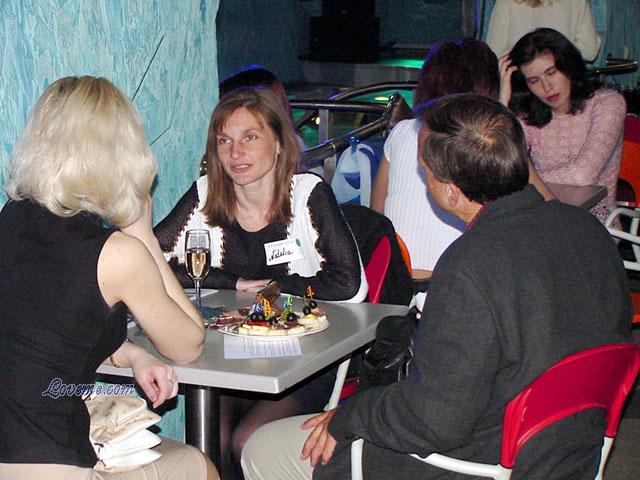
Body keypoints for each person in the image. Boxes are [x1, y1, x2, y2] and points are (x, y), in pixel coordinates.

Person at [240, 93, 633, 480]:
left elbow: (435, 420)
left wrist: (351, 415)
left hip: (485, 461)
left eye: (425, 171)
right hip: (570, 447)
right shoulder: (585, 229)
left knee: (264, 448)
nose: (424, 180)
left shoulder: (471, 264)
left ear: (451, 191)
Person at [0, 77, 218, 479]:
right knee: (199, 465)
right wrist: (143, 234)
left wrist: (133, 354)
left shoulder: (11, 217)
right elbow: (188, 344)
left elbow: (47, 336)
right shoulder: (117, 254)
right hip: (50, 462)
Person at [154, 86, 367, 477]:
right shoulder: (206, 194)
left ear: (279, 143)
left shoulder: (307, 194)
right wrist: (232, 281)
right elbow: (151, 259)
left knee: (245, 440)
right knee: (208, 440)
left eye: (250, 137)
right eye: (225, 141)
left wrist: (274, 287)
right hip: (232, 356)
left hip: (307, 358)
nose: (236, 152)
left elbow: (349, 285)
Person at [370, 38, 551, 286]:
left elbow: (377, 215)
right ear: (488, 87)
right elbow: (551, 211)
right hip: (460, 281)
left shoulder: (402, 131)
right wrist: (500, 121)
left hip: (397, 281)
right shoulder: (477, 142)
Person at [500, 27, 627, 222]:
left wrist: (525, 179)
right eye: (534, 80)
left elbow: (583, 175)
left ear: (568, 66)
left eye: (551, 73)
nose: (547, 87)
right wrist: (503, 105)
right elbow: (500, 168)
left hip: (595, 224)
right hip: (542, 220)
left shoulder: (608, 103)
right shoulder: (528, 117)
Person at [486, 0, 602, 62]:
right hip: (562, 83)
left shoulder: (506, 2)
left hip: (521, 85)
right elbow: (589, 52)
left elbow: (494, 53)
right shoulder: (576, 2)